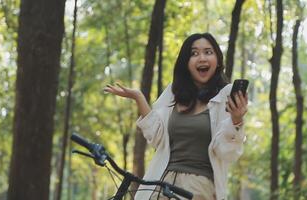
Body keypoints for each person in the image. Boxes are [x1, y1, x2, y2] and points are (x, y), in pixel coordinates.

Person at [104, 33, 248, 200]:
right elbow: (157, 138)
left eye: (208, 52)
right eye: (194, 54)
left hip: (198, 188)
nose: (201, 58)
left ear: (217, 61)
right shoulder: (174, 92)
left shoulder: (226, 95)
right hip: (161, 183)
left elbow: (227, 153)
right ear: (186, 63)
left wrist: (236, 121)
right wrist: (139, 98)